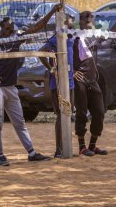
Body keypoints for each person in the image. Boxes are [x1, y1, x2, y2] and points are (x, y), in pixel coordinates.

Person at [0, 4, 62, 166]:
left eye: (12, 28)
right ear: (1, 30)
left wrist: (53, 11)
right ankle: (0, 155)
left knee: (19, 122)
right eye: (7, 29)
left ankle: (31, 152)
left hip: (11, 87)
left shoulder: (16, 39)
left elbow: (37, 27)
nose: (11, 31)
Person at [73, 5, 116, 156]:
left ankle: (92, 145)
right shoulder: (72, 37)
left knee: (99, 112)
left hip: (92, 79)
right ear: (80, 21)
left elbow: (113, 31)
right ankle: (81, 147)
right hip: (80, 80)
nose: (91, 20)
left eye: (92, 18)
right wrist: (71, 71)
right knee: (81, 113)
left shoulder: (94, 35)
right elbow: (60, 55)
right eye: (87, 17)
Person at [39, 14, 75, 158]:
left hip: (70, 82)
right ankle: (59, 149)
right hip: (58, 83)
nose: (73, 25)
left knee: (68, 113)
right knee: (61, 115)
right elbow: (42, 53)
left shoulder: (70, 37)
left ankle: (66, 147)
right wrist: (51, 69)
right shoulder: (56, 38)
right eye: (70, 23)